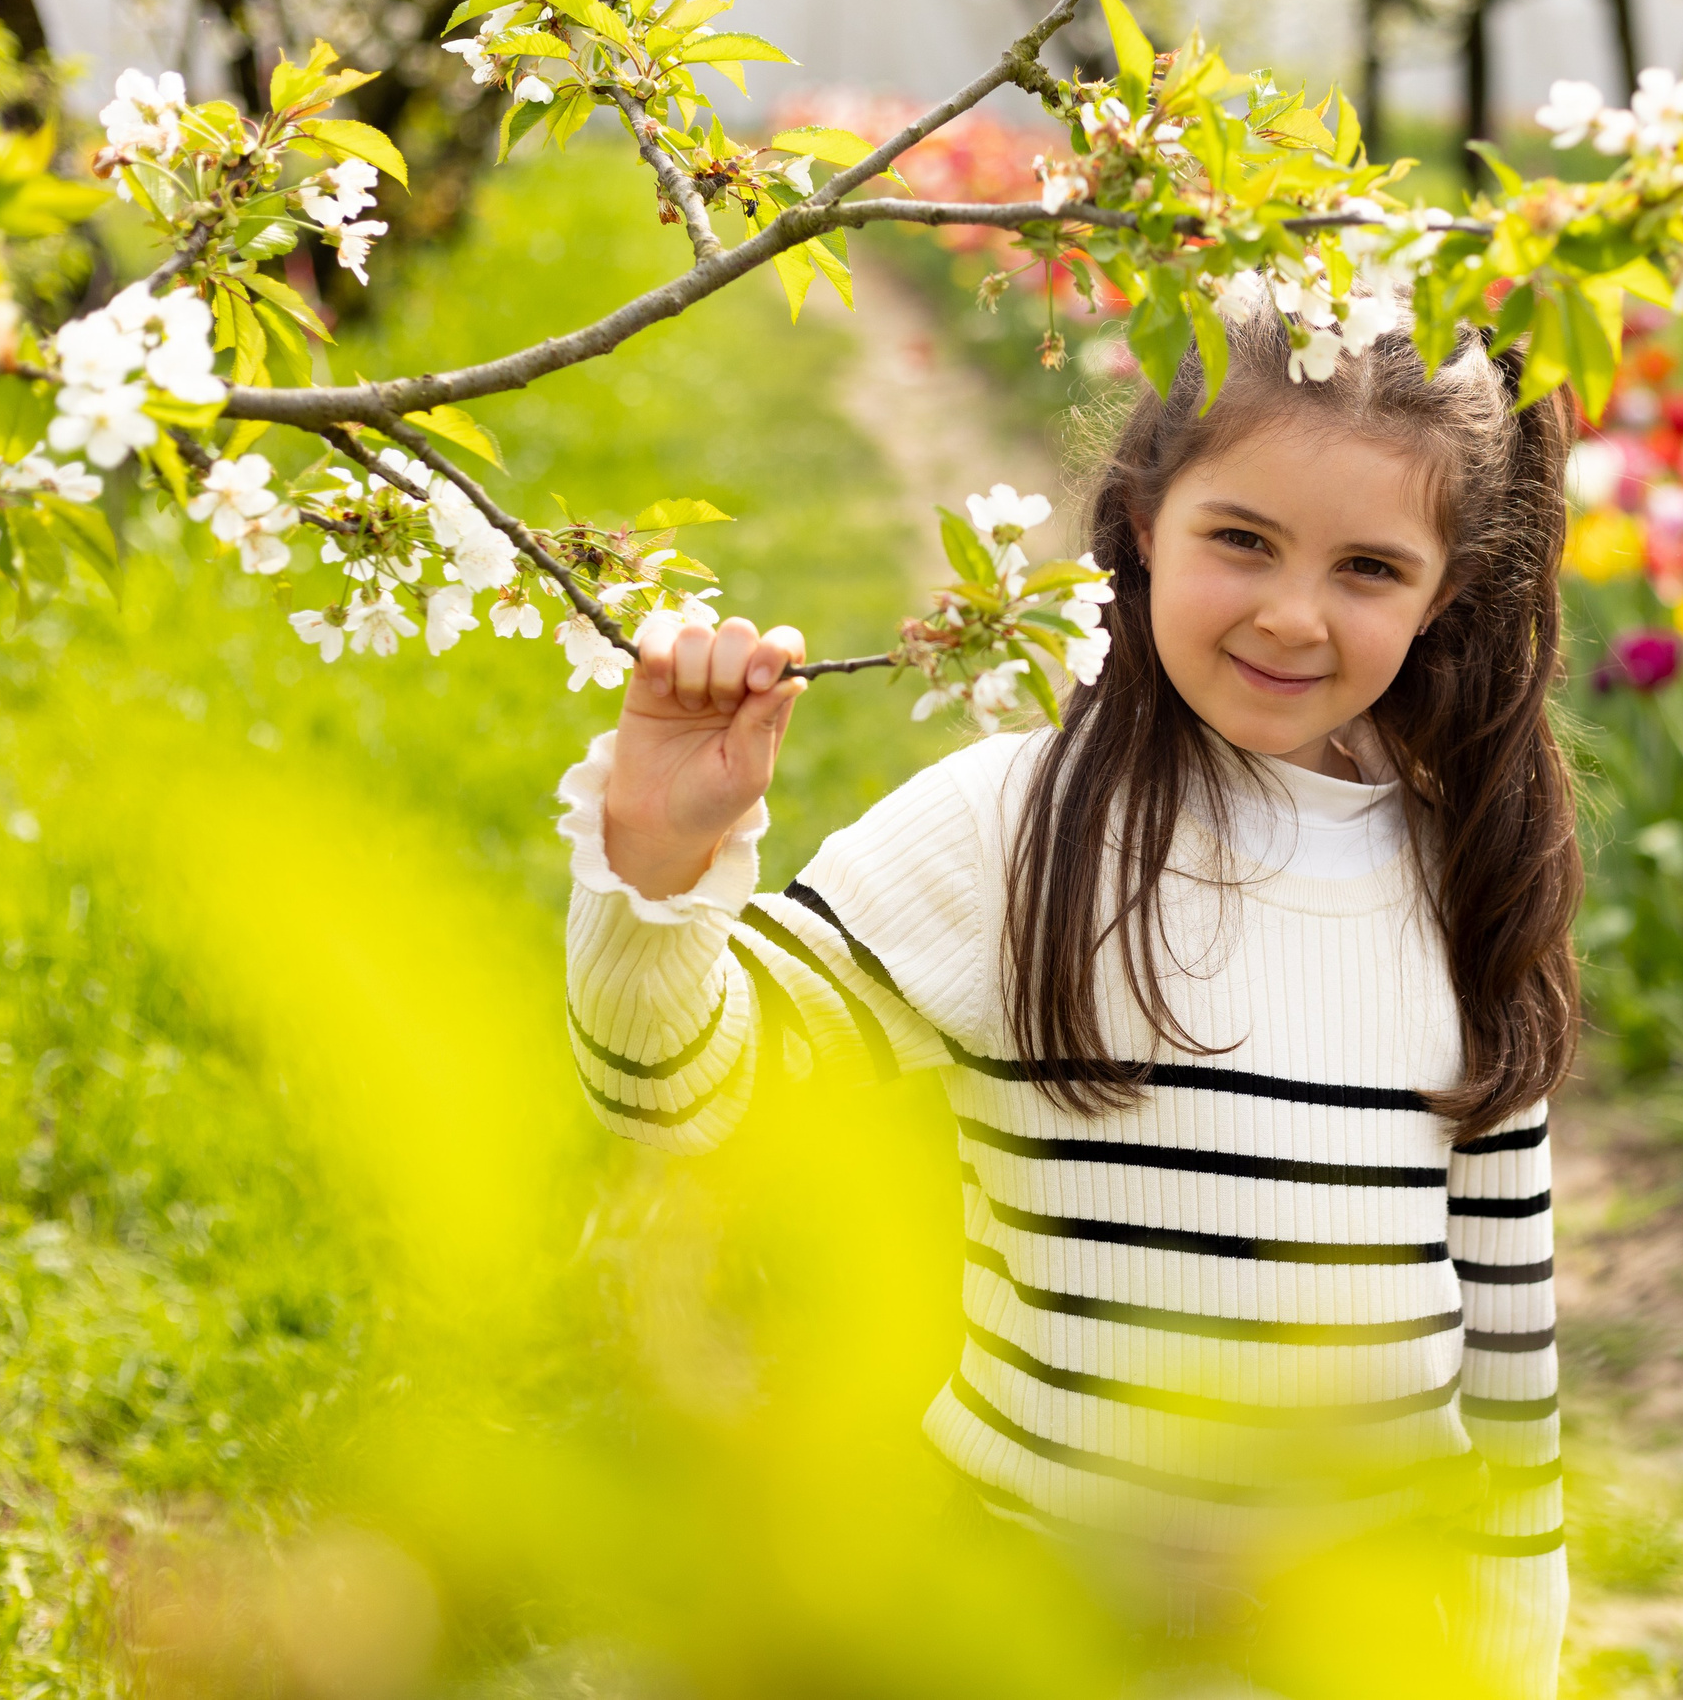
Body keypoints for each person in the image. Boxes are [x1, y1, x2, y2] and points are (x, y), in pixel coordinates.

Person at [555, 296, 1578, 1697]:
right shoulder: (1013, 827)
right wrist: (659, 859)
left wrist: (1511, 1653)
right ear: (1147, 521)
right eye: (1243, 541)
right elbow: (677, 1094)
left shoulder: (1464, 867)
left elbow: (1508, 1335)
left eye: (1368, 569)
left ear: (1446, 589)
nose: (1293, 612)